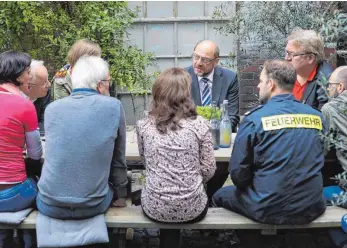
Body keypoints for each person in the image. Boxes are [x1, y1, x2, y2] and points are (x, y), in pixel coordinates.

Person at [213, 60, 326, 226]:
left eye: (261, 81)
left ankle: (252, 241)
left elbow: (238, 175)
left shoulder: (254, 119)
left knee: (219, 195)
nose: (259, 86)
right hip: (311, 206)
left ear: (271, 84)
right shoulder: (317, 117)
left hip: (266, 207)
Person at [36, 56, 128, 220]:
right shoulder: (114, 107)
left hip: (49, 204)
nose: (110, 85)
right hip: (92, 205)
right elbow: (118, 159)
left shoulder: (52, 109)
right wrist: (121, 194)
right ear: (100, 85)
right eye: (109, 81)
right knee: (116, 185)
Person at [136, 68, 216, 248]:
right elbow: (209, 168)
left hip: (154, 207)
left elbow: (145, 162)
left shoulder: (144, 126)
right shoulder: (200, 124)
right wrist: (190, 181)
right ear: (186, 93)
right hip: (192, 208)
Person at [186, 40, 239, 202]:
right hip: (189, 141)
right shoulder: (183, 77)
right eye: (196, 57)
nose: (198, 63)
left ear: (216, 61)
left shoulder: (229, 78)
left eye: (205, 60)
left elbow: (232, 117)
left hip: (218, 142)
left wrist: (212, 135)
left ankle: (208, 198)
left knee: (223, 166)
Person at [0, 51, 42, 248]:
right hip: (13, 196)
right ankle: (28, 242)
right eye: (27, 72)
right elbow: (35, 154)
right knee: (38, 184)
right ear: (17, 76)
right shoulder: (25, 106)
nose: (30, 77)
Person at [320, 66, 347, 248]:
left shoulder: (332, 108)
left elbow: (321, 150)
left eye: (330, 85)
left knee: (315, 196)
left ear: (340, 87)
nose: (327, 89)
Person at [285, 29, 333, 110]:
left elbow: (322, 118)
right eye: (286, 52)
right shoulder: (286, 72)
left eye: (291, 54)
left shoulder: (327, 81)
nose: (286, 58)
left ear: (310, 58)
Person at [19, 60, 51, 134]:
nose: (49, 85)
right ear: (29, 85)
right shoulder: (14, 99)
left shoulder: (45, 94)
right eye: (44, 82)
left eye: (48, 79)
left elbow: (45, 122)